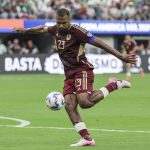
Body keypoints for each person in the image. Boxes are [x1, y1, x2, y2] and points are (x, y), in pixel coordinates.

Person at [14, 8, 136, 147]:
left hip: (82, 70)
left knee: (84, 102)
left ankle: (114, 84)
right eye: (58, 22)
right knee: (69, 105)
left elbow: (99, 42)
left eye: (64, 23)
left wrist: (120, 56)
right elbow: (42, 28)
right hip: (69, 74)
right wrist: (26, 30)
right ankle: (87, 139)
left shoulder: (78, 31)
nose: (60, 25)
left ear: (69, 19)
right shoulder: (56, 29)